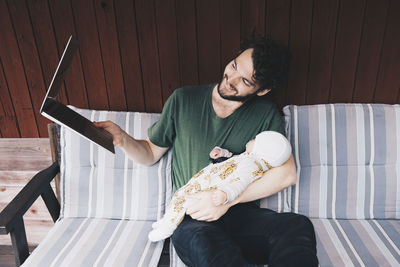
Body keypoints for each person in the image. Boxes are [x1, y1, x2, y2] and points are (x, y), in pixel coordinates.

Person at [94, 35, 318, 266]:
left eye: (245, 81)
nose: (231, 79)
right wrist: (122, 139)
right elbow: (150, 152)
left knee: (297, 225)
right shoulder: (183, 100)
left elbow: (287, 174)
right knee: (204, 242)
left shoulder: (266, 114)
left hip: (241, 216)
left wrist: (226, 202)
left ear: (262, 90)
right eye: (233, 66)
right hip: (194, 217)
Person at [148, 131, 292, 242]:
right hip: (206, 181)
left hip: (209, 189)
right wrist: (222, 154)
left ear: (261, 149)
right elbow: (233, 161)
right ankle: (166, 220)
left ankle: (168, 227)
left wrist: (226, 194)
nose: (251, 139)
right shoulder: (248, 159)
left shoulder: (251, 166)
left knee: (182, 200)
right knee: (179, 197)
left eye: (255, 140)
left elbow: (240, 182)